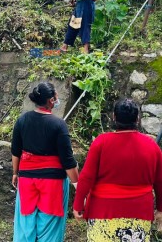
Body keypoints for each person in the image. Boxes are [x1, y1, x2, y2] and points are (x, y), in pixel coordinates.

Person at [73, 99, 162, 242]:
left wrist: (78, 204)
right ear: (137, 118)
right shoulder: (152, 146)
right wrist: (160, 209)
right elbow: (159, 181)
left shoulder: (101, 142)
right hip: (139, 212)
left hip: (102, 210)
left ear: (114, 117)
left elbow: (87, 176)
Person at [11, 82, 79, 242]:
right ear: (51, 100)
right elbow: (67, 160)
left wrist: (15, 173)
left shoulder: (22, 120)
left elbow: (16, 151)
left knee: (25, 221)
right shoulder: (58, 125)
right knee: (50, 225)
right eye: (56, 96)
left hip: (27, 179)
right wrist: (77, 182)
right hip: (53, 182)